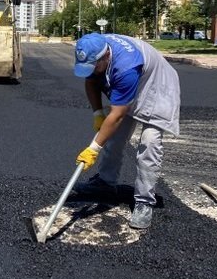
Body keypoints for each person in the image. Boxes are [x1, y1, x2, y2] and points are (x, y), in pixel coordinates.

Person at [71, 32, 180, 229]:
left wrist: (93, 149)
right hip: (133, 82)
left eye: (94, 66)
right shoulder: (94, 48)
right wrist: (98, 113)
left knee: (149, 143)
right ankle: (105, 182)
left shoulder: (126, 68)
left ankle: (144, 201)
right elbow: (91, 81)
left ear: (106, 56)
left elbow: (118, 115)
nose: (91, 70)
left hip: (157, 87)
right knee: (112, 137)